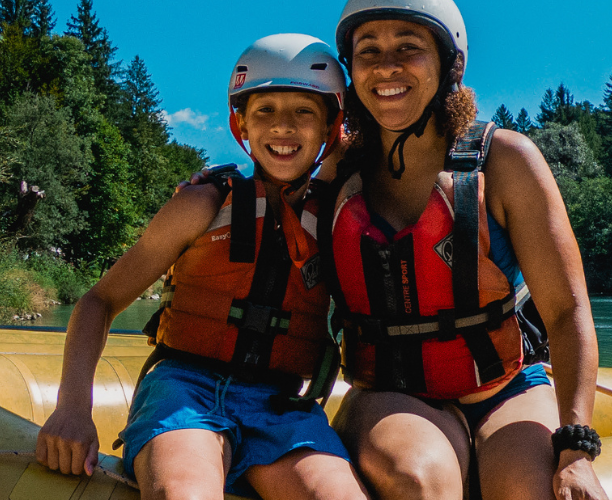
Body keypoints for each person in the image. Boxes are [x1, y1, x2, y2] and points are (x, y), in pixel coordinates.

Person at [35, 34, 369, 500]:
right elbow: (100, 301)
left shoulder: (334, 214)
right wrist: (72, 408)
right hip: (185, 390)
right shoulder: (203, 205)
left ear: (330, 129)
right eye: (265, 111)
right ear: (242, 126)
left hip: (282, 405)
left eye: (304, 112)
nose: (283, 127)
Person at [325, 1, 609, 499]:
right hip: (390, 392)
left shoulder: (507, 161)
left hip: (506, 387)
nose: (386, 66)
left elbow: (566, 312)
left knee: (533, 491)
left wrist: (576, 449)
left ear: (449, 63)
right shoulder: (336, 174)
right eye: (368, 51)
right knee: (419, 480)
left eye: (408, 48)